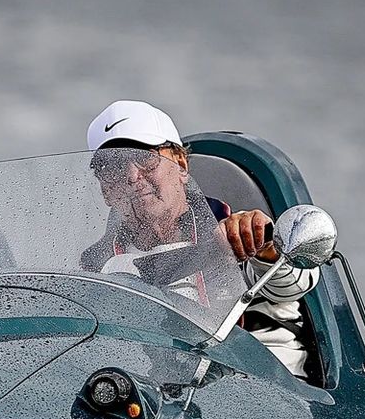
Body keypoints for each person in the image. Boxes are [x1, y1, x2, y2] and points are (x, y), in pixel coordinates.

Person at [81, 100, 320, 378]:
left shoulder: (236, 228)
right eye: (113, 166)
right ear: (104, 189)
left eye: (146, 159)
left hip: (268, 390)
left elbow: (293, 285)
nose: (133, 176)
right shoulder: (95, 265)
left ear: (181, 165)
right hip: (159, 398)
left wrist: (267, 248)